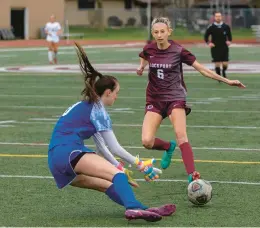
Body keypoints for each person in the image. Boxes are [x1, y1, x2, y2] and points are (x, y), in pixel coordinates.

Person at [47, 42, 176, 222]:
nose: (117, 96)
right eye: (116, 93)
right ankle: (133, 208)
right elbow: (115, 148)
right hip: (69, 152)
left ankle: (142, 208)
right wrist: (141, 166)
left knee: (106, 184)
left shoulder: (86, 106)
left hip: (55, 160)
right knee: (117, 176)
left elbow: (102, 148)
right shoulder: (99, 111)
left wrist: (116, 166)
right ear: (107, 92)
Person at [136, 17, 245, 183]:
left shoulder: (178, 50)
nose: (159, 35)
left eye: (162, 32)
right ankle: (168, 146)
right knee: (146, 141)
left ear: (169, 32)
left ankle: (192, 174)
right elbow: (144, 55)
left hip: (175, 98)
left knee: (181, 135)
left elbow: (202, 69)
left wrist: (228, 81)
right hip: (154, 99)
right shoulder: (149, 48)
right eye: (156, 32)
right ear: (153, 33)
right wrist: (141, 67)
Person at [204, 12, 232, 79]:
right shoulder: (211, 27)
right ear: (214, 17)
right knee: (217, 63)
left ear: (221, 17)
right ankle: (219, 76)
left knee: (225, 63)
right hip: (215, 48)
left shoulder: (226, 26)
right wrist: (209, 43)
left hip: (224, 47)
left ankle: (224, 72)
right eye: (216, 16)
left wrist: (229, 41)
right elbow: (206, 36)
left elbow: (229, 36)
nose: (218, 17)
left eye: (219, 16)